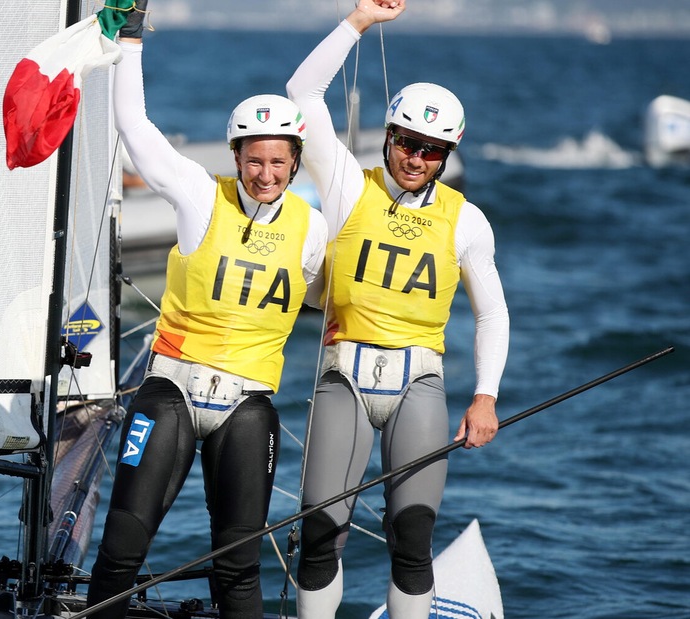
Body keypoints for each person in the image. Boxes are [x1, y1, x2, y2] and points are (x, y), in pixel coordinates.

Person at [85, 2, 328, 617]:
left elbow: (327, 301)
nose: (265, 173)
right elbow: (135, 127)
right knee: (121, 550)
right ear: (235, 156)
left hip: (247, 406)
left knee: (238, 567)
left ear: (294, 162)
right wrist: (132, 39)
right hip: (171, 390)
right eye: (253, 160)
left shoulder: (313, 228)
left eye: (278, 162)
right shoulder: (199, 196)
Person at [284, 1, 509, 617]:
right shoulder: (346, 184)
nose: (416, 158)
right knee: (321, 534)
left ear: (446, 154)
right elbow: (302, 91)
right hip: (344, 378)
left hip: (421, 385)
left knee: (412, 541)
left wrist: (486, 395)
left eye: (432, 150)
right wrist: (357, 23)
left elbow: (491, 313)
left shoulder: (465, 219)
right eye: (407, 142)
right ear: (388, 135)